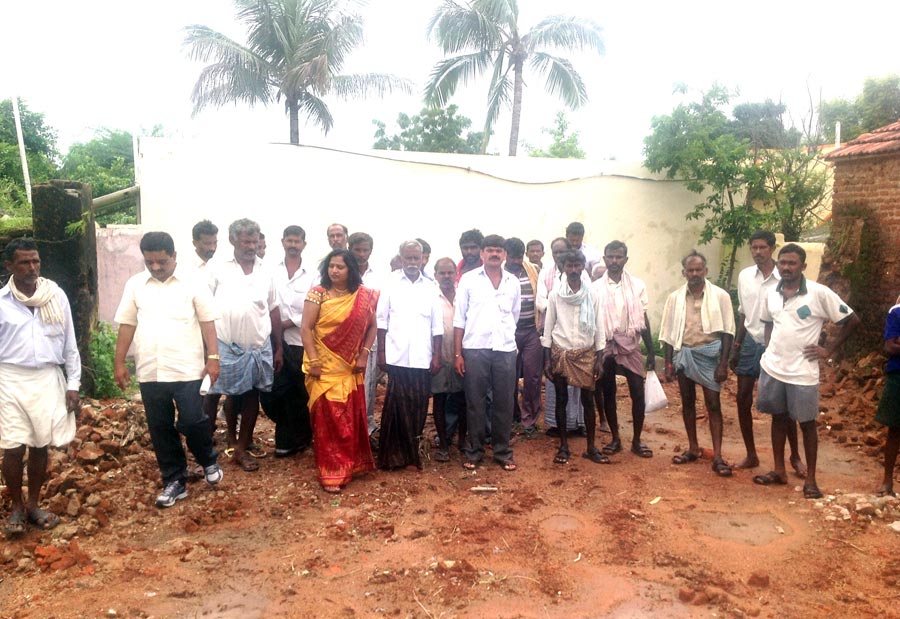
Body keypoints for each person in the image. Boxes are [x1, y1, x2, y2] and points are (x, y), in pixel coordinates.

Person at [113, 232, 224, 508]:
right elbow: (127, 324)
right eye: (149, 262)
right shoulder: (135, 285)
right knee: (160, 427)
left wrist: (213, 358)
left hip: (187, 368)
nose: (156, 267)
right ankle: (174, 480)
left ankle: (207, 459)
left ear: (174, 256)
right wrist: (119, 362)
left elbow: (208, 321)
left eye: (161, 261)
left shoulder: (194, 282)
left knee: (192, 420)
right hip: (150, 370)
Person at [753, 244, 859, 499]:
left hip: (802, 373)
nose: (786, 267)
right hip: (773, 368)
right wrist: (769, 350)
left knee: (807, 424)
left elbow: (852, 320)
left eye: (792, 263)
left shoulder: (819, 293)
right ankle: (779, 470)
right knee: (778, 419)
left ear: (803, 266)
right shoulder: (771, 292)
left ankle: (811, 480)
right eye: (782, 263)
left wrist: (828, 350)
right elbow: (768, 323)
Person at [0, 238, 80, 537]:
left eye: (36, 261)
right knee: (12, 446)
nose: (32, 267)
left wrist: (73, 383)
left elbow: (70, 344)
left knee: (39, 445)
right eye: (24, 262)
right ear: (9, 266)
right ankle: (16, 507)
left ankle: (33, 505)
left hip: (47, 378)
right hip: (10, 379)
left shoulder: (55, 296)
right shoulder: (1, 302)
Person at [206, 219, 283, 472]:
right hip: (224, 344)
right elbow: (203, 307)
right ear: (232, 240)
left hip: (258, 345)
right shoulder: (217, 267)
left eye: (254, 241)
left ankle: (241, 447)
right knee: (217, 393)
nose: (251, 246)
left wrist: (279, 347)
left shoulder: (266, 269)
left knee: (252, 394)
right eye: (246, 242)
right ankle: (207, 448)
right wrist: (207, 348)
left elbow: (273, 308)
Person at [300, 249, 378, 493]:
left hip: (350, 367)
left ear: (350, 270)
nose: (334, 271)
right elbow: (306, 328)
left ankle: (350, 465)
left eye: (340, 267)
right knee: (328, 419)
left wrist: (364, 354)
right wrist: (314, 360)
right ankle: (331, 471)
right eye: (331, 266)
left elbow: (372, 327)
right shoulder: (318, 293)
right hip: (323, 367)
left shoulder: (362, 296)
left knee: (347, 418)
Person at [731, 231, 805, 475]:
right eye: (754, 247)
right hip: (750, 342)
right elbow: (743, 313)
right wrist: (736, 346)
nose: (758, 252)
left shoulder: (785, 275)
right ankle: (751, 454)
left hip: (777, 344)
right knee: (742, 397)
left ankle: (794, 457)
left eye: (763, 247)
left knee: (783, 403)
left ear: (772, 248)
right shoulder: (744, 276)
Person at [660, 250, 735, 477]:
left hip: (710, 355)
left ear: (706, 271)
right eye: (690, 270)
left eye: (698, 269)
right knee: (687, 401)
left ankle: (718, 456)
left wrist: (723, 364)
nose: (694, 273)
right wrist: (668, 363)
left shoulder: (720, 296)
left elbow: (728, 331)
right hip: (684, 353)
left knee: (713, 404)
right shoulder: (675, 298)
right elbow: (668, 332)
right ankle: (693, 448)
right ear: (684, 272)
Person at [454, 234, 521, 471]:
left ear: (504, 254)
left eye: (498, 250)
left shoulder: (513, 282)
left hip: (505, 349)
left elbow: (514, 315)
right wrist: (458, 354)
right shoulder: (468, 280)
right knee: (475, 402)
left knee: (504, 401)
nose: (494, 254)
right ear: (482, 253)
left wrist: (507, 340)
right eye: (490, 250)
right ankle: (475, 451)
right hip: (475, 349)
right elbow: (459, 319)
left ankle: (502, 452)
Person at [376, 241, 442, 470]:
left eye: (416, 258)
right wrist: (382, 352)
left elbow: (437, 326)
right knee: (396, 407)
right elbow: (381, 321)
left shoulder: (431, 287)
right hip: (397, 356)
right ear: (401, 258)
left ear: (423, 259)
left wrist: (436, 355)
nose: (412, 263)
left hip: (422, 357)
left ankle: (412, 454)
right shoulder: (390, 283)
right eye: (408, 258)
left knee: (419, 406)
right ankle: (392, 457)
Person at [542, 250, 607, 465]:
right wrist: (547, 360)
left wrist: (599, 359)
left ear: (583, 267)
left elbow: (599, 327)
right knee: (562, 399)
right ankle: (563, 446)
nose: (573, 270)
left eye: (577, 265)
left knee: (588, 401)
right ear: (563, 268)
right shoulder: (555, 295)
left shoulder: (593, 295)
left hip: (586, 353)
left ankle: (591, 447)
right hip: (561, 352)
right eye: (569, 266)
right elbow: (548, 328)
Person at [592, 240, 656, 458]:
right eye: (610, 257)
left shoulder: (637, 285)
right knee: (608, 391)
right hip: (606, 344)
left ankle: (637, 440)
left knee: (637, 392)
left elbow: (643, 318)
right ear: (604, 259)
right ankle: (615, 438)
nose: (614, 261)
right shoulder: (595, 288)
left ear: (625, 259)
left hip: (630, 343)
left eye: (618, 257)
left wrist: (650, 351)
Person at [259, 225, 315, 458]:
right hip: (274, 341)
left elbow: (316, 306)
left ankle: (296, 439)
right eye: (289, 240)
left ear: (304, 244)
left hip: (301, 341)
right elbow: (264, 301)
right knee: (275, 392)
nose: (293, 245)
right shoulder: (270, 270)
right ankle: (292, 436)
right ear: (282, 242)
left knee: (301, 392)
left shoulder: (313, 273)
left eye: (297, 241)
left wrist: (288, 322)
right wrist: (275, 327)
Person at [537, 237, 588, 436]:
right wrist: (558, 304)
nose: (558, 255)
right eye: (555, 252)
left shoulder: (583, 276)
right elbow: (541, 301)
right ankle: (558, 426)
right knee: (559, 390)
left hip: (579, 340)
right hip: (557, 336)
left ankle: (578, 424)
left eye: (562, 252)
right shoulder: (546, 273)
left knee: (579, 389)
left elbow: (587, 301)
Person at [503, 237, 542, 438]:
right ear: (505, 255)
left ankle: (529, 420)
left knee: (532, 377)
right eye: (513, 257)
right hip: (508, 332)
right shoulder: (499, 273)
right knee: (508, 376)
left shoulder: (533, 270)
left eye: (519, 257)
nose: (516, 261)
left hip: (532, 331)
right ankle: (511, 416)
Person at [431, 257, 467, 462]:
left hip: (462, 356)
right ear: (435, 275)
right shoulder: (430, 296)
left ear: (456, 274)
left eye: (450, 272)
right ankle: (444, 444)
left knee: (463, 399)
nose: (446, 276)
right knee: (439, 399)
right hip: (439, 354)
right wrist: (433, 356)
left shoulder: (464, 294)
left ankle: (462, 441)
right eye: (442, 273)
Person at [349, 231, 381, 438]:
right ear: (350, 249)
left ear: (371, 251)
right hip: (344, 343)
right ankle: (348, 432)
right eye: (357, 250)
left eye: (365, 250)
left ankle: (366, 433)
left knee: (367, 388)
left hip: (370, 341)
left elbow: (381, 310)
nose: (361, 254)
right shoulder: (342, 272)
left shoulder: (379, 276)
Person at [875, 295, 900, 497]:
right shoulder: (896, 312)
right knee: (895, 429)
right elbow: (890, 346)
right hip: (898, 375)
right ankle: (887, 481)